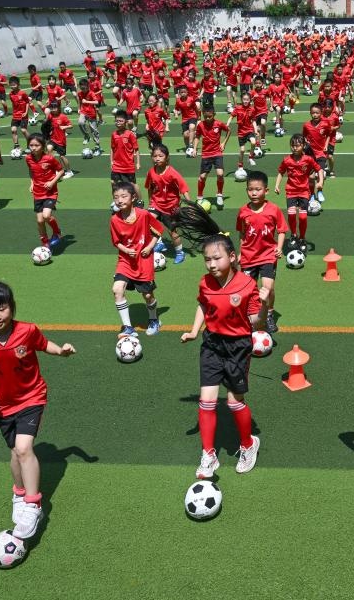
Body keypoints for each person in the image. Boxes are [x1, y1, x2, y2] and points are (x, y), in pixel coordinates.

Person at [0, 280, 76, 540]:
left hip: (32, 396)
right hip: (4, 404)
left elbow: (45, 344)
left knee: (24, 448)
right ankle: (18, 492)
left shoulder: (27, 331)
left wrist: (61, 351)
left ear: (11, 307)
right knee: (15, 453)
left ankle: (33, 504)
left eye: (2, 308)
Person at [173, 204, 269, 479]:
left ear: (232, 257)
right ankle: (209, 455)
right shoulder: (205, 283)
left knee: (234, 403)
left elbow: (256, 324)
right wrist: (194, 331)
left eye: (216, 258)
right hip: (212, 344)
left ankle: (248, 444)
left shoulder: (248, 285)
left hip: (238, 346)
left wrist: (263, 307)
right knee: (206, 401)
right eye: (207, 259)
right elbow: (203, 307)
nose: (212, 264)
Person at [110, 181, 164, 337]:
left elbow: (158, 231)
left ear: (133, 197)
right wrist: (126, 250)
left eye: (123, 196)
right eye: (116, 197)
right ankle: (128, 327)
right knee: (117, 289)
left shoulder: (144, 215)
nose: (119, 200)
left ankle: (154, 320)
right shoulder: (114, 220)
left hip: (144, 261)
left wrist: (150, 247)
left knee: (147, 295)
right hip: (125, 261)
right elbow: (116, 242)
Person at [236, 170, 287, 334]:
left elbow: (282, 230)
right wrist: (240, 252)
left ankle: (269, 314)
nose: (254, 193)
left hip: (267, 256)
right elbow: (242, 234)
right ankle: (250, 317)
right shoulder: (243, 212)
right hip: (248, 257)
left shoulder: (273, 209)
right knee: (247, 291)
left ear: (266, 191)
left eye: (258, 189)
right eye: (250, 189)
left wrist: (278, 248)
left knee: (268, 288)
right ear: (246, 191)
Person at [275, 134, 324, 249]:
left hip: (304, 192)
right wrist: (277, 185)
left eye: (297, 145)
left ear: (303, 146)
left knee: (302, 217)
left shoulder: (308, 159)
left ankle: (302, 238)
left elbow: (319, 169)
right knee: (291, 215)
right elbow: (281, 172)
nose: (295, 148)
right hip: (291, 191)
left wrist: (320, 181)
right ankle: (293, 235)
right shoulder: (287, 160)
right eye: (292, 145)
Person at [145, 144, 192, 264]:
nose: (157, 158)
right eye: (154, 156)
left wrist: (191, 206)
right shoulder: (151, 172)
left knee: (172, 232)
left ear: (167, 157)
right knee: (147, 221)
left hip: (171, 207)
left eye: (160, 155)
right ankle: (159, 242)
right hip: (156, 204)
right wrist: (150, 201)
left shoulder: (172, 173)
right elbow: (150, 187)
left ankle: (180, 252)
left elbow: (184, 189)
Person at [25, 135, 65, 249]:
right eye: (31, 145)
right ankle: (45, 242)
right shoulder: (28, 158)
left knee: (46, 216)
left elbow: (61, 171)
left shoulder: (49, 158)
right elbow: (31, 171)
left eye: (37, 145)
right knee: (39, 220)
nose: (33, 148)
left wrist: (52, 182)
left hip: (50, 193)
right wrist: (32, 183)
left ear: (42, 146)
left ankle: (57, 232)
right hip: (37, 193)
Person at [193, 104, 231, 208]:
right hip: (206, 154)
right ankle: (199, 196)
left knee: (220, 174)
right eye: (205, 117)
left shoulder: (218, 124)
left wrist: (223, 143)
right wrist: (195, 149)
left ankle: (219, 195)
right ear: (203, 115)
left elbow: (229, 130)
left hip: (217, 153)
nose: (208, 119)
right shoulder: (200, 125)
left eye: (210, 116)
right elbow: (197, 136)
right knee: (202, 177)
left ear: (214, 114)